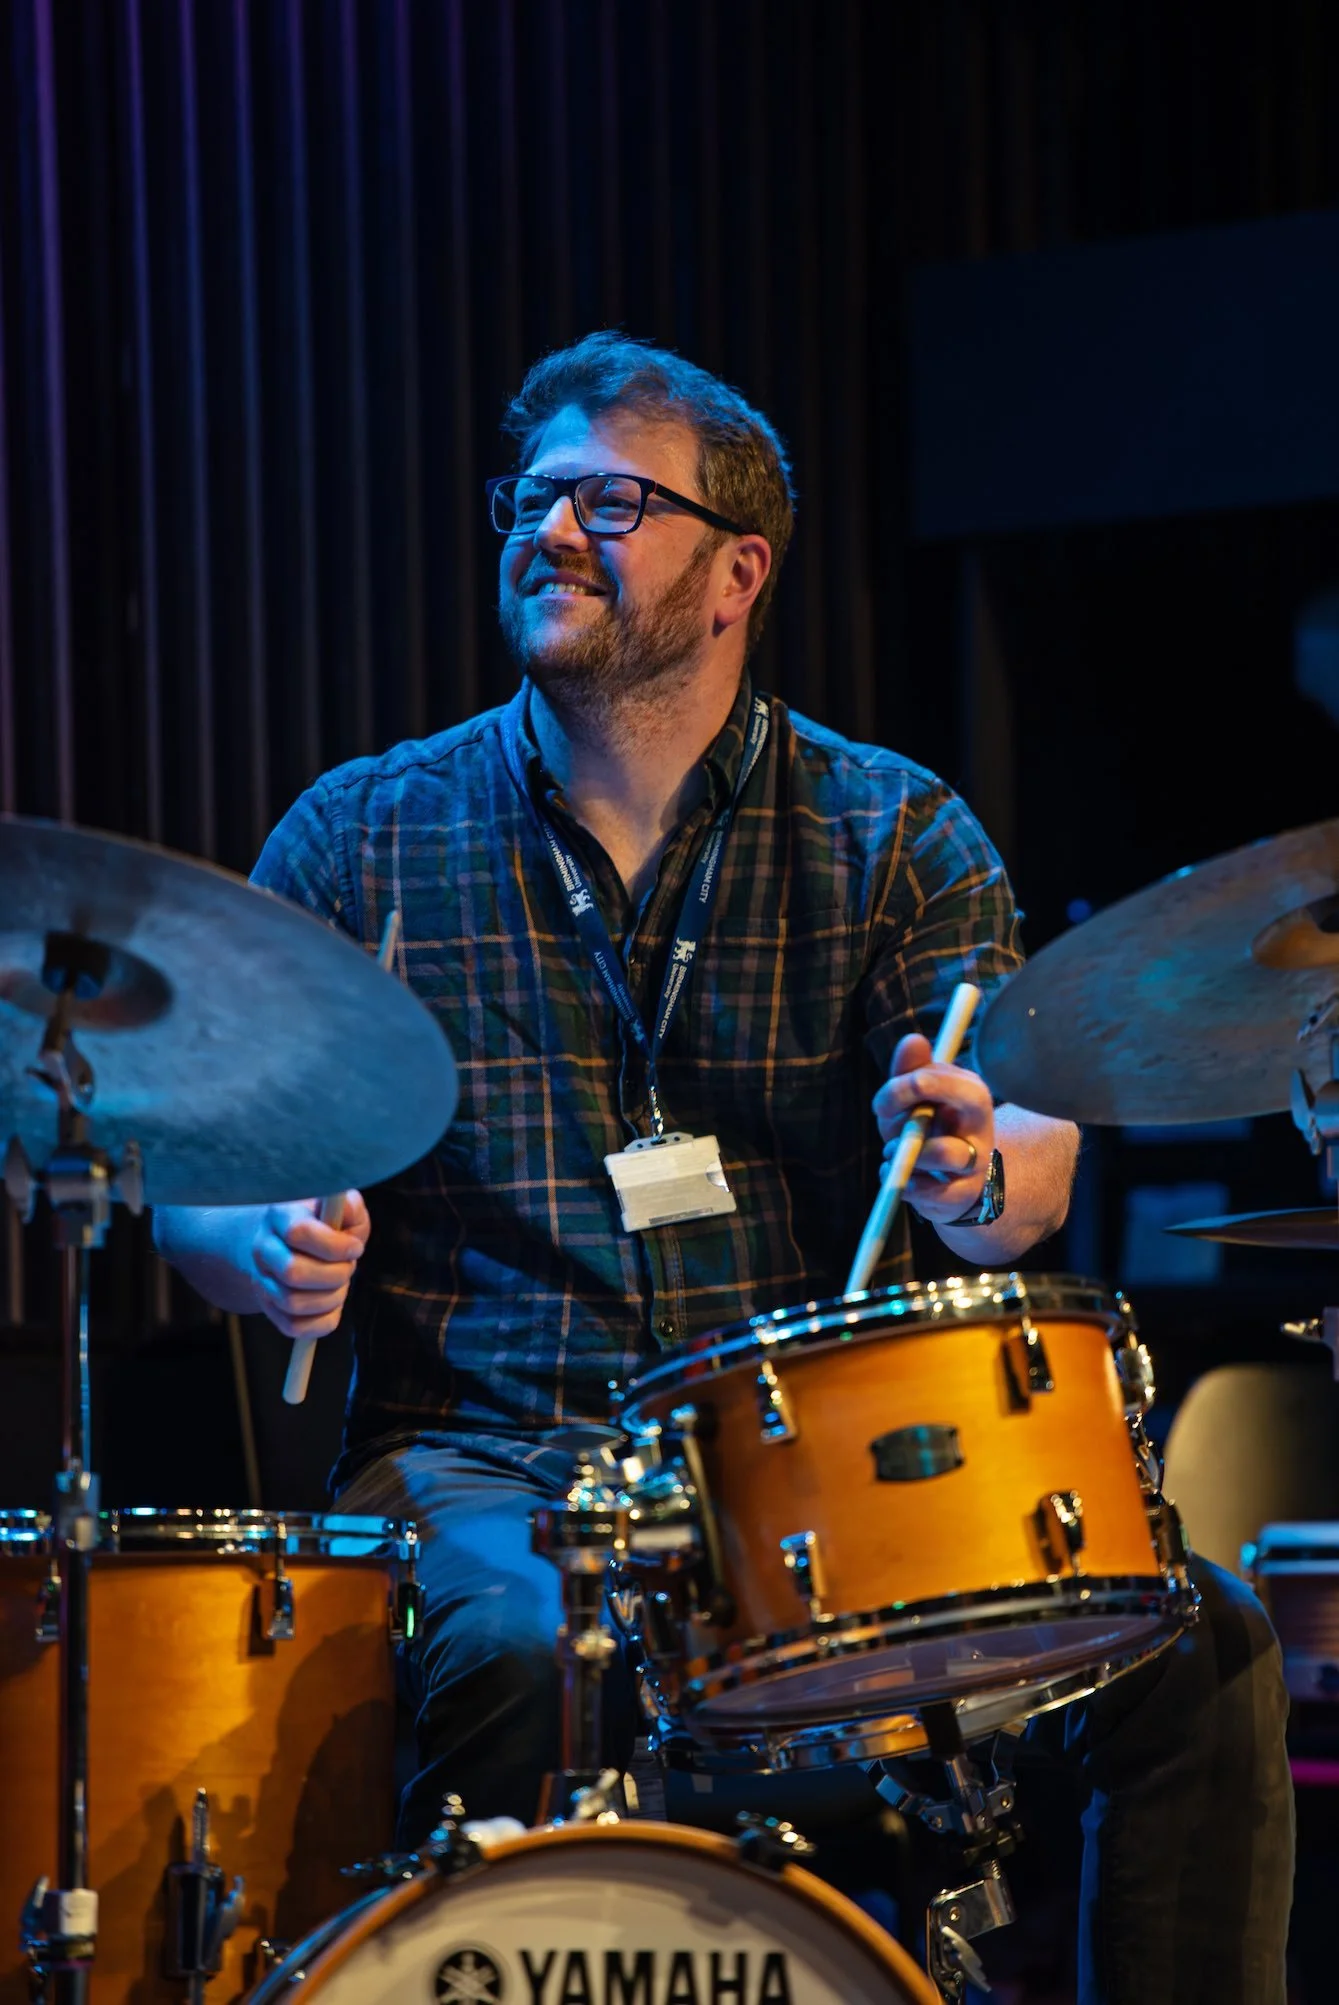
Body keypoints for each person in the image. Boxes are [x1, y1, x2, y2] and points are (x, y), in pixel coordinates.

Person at [155, 332, 1292, 2004]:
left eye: (609, 501)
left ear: (733, 569)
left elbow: (1027, 1162)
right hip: (486, 1463)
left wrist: (982, 1178)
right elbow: (199, 1161)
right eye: (528, 498)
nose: (548, 531)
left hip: (817, 1479)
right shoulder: (364, 833)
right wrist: (250, 1241)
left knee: (1202, 1648)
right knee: (538, 1652)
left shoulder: (893, 831)